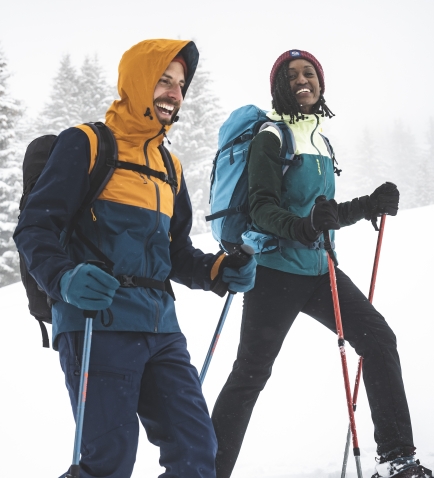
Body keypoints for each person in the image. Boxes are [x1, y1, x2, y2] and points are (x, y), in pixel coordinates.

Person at [13, 39, 256, 478]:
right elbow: (35, 228)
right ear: (140, 81)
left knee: (197, 454)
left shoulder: (170, 167)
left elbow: (176, 253)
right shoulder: (86, 144)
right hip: (95, 324)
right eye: (164, 80)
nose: (173, 93)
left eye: (181, 85)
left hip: (161, 328)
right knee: (108, 464)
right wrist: (65, 279)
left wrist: (218, 270)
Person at [210, 49, 434, 478]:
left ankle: (397, 460)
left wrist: (368, 205)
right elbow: (261, 208)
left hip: (319, 270)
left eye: (309, 73)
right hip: (274, 271)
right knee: (251, 373)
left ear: (320, 82)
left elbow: (322, 214)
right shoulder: (271, 137)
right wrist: (301, 226)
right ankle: (205, 470)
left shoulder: (319, 138)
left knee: (379, 339)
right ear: (279, 86)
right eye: (292, 75)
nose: (302, 80)